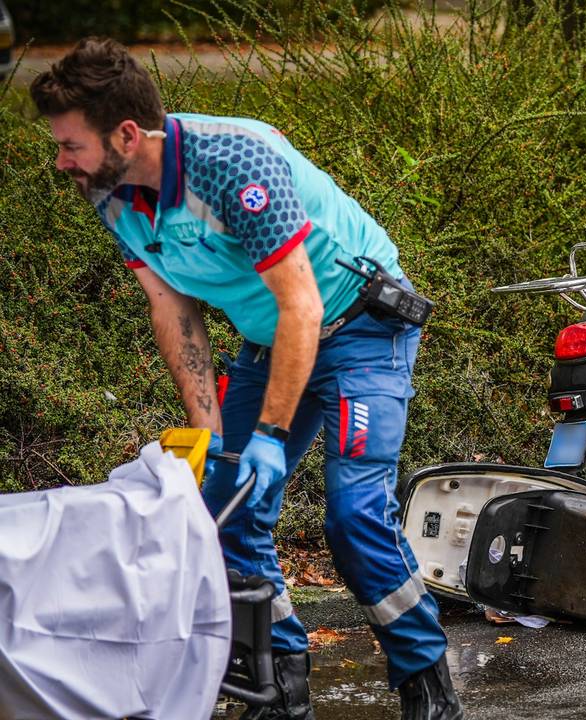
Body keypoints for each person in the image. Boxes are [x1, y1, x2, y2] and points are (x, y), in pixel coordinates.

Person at [30, 38, 463, 720]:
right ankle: (280, 686)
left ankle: (427, 686)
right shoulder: (110, 192)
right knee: (222, 508)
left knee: (353, 518)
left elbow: (304, 304)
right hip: (273, 341)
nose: (61, 162)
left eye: (70, 144)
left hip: (361, 329)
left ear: (124, 134)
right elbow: (171, 307)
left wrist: (268, 433)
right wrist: (210, 431)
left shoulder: (232, 162)